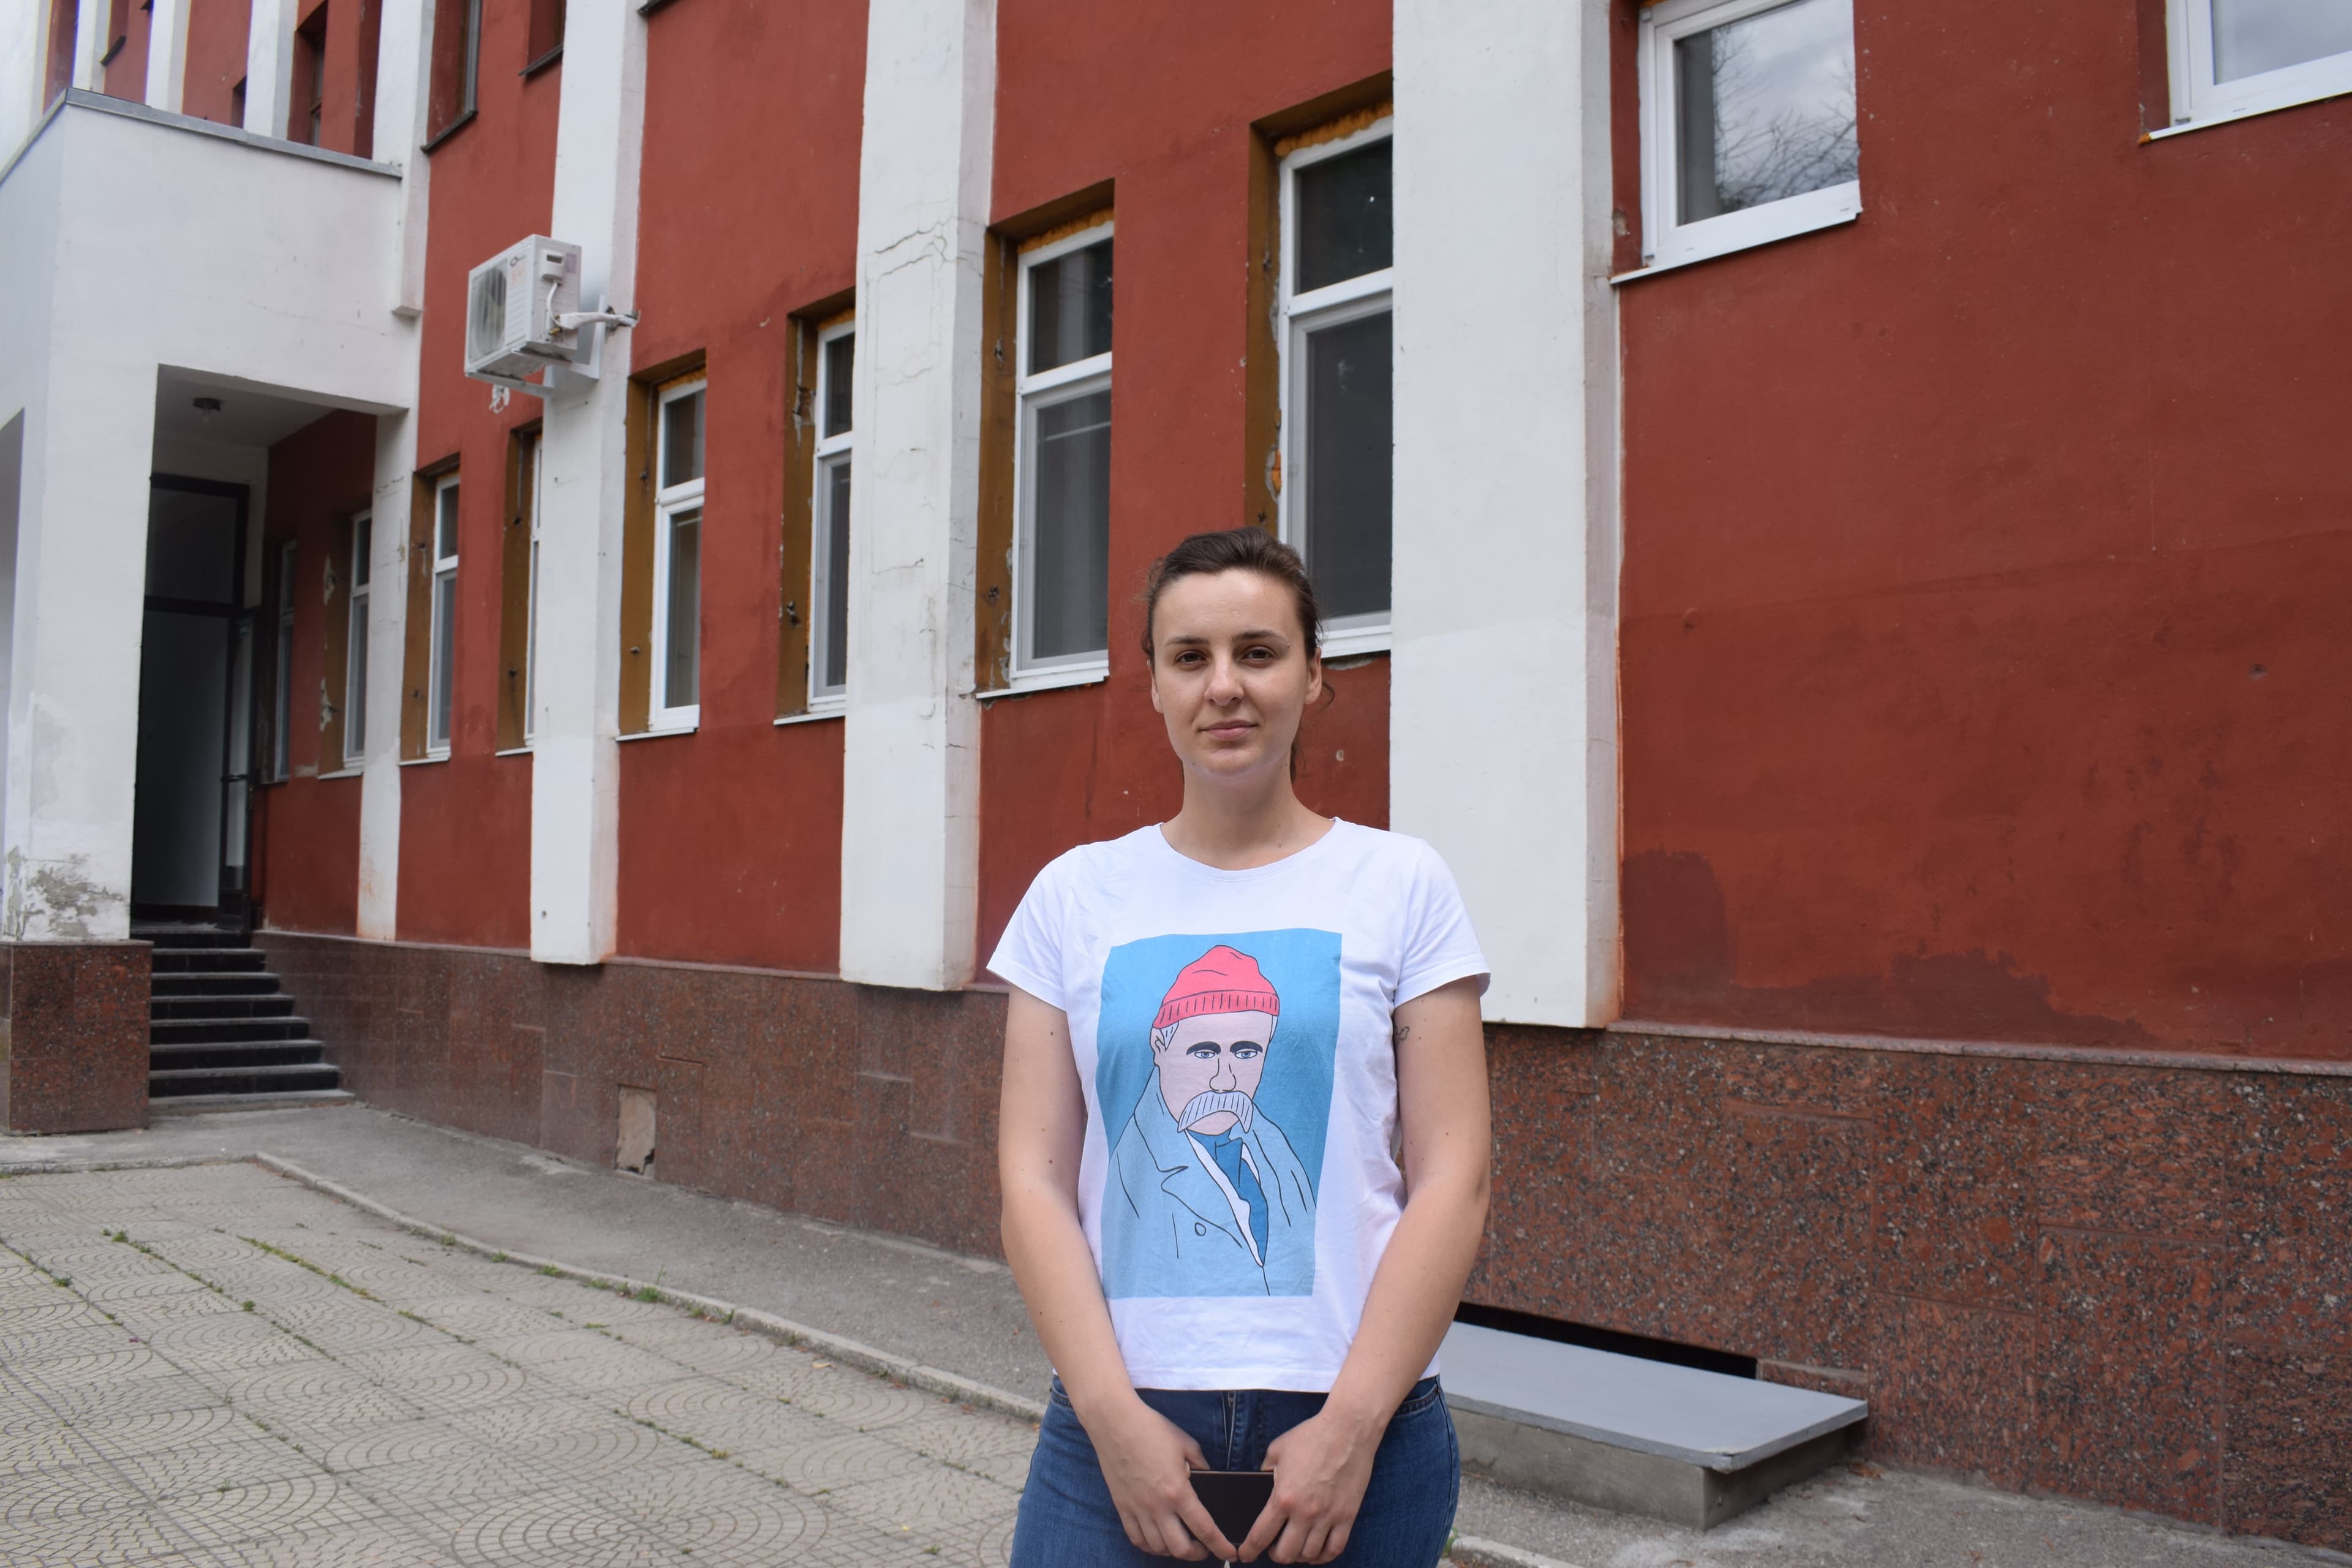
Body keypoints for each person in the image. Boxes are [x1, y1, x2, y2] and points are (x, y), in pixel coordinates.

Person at [991, 527, 1493, 1566]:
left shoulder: (1402, 886)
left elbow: (1456, 1176)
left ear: (1315, 676)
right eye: (1192, 658)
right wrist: (1111, 1420)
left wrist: (1352, 1427)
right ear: (1155, 684)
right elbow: (1030, 1180)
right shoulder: (1073, 897)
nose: (1225, 686)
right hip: (1119, 1429)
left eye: (1258, 653)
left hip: (1361, 1430)